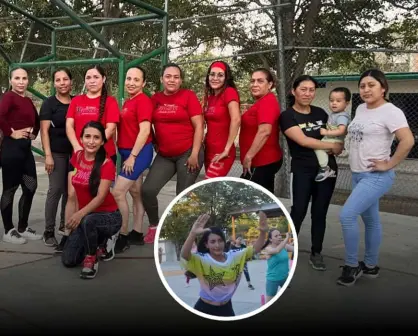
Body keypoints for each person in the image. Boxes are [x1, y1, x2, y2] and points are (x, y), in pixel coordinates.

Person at [337, 69, 414, 287]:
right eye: (362, 86)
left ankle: (352, 266)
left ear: (383, 88)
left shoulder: (391, 111)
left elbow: (407, 141)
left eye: (371, 85)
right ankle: (370, 265)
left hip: (377, 176)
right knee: (371, 220)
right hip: (358, 174)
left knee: (347, 215)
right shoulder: (361, 108)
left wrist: (389, 163)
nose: (366, 89)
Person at [279, 75, 343, 271]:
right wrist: (330, 146)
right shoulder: (287, 116)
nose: (308, 93)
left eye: (311, 90)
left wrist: (337, 146)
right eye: (303, 89)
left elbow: (337, 138)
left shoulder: (322, 113)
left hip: (327, 170)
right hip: (302, 170)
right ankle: (286, 251)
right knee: (298, 210)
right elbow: (303, 141)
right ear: (294, 91)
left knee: (319, 212)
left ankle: (316, 252)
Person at [141, 63, 205, 245]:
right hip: (165, 155)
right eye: (168, 76)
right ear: (162, 79)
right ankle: (154, 226)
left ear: (180, 80)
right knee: (148, 190)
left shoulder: (188, 96)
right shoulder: (155, 99)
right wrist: (154, 142)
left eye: (176, 77)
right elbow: (146, 123)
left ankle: (184, 234)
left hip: (188, 152)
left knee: (182, 195)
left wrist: (194, 154)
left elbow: (199, 126)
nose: (172, 80)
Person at [60, 121, 122, 279]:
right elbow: (73, 194)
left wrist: (79, 215)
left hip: (109, 217)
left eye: (96, 138)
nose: (91, 141)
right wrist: (73, 221)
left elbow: (101, 197)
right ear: (81, 139)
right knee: (69, 260)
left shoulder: (107, 164)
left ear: (102, 141)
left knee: (88, 220)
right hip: (86, 217)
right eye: (87, 136)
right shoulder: (77, 157)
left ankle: (92, 258)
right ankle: (98, 241)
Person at [180, 212, 269, 317]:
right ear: (206, 244)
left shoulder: (234, 256)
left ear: (224, 242)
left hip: (226, 308)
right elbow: (184, 254)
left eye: (220, 241)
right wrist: (192, 233)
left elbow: (255, 249)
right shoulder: (201, 259)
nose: (217, 245)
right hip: (204, 308)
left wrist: (263, 233)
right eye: (212, 242)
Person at [112, 66, 154, 253]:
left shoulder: (143, 101)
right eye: (128, 78)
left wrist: (132, 157)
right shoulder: (129, 101)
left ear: (143, 83)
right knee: (136, 193)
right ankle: (137, 233)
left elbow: (145, 131)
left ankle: (123, 234)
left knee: (118, 192)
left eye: (136, 80)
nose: (131, 82)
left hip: (138, 153)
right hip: (126, 152)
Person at [0, 67, 42, 244]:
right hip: (11, 150)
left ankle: (23, 227)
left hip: (25, 150)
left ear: (28, 81)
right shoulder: (9, 97)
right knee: (10, 189)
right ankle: (9, 230)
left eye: (24, 78)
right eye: (17, 78)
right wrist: (11, 132)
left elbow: (36, 120)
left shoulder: (27, 100)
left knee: (30, 186)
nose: (21, 81)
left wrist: (35, 132)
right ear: (11, 80)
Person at [40, 68, 74, 246]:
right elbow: (44, 131)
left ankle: (65, 225)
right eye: (58, 80)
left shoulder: (76, 101)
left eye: (65, 79)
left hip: (74, 154)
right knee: (56, 190)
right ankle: (48, 230)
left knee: (71, 192)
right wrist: (48, 156)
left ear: (71, 82)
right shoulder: (49, 104)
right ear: (54, 83)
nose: (62, 83)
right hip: (56, 153)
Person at [239, 68, 283, 193]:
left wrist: (249, 156)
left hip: (262, 161)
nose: (255, 84)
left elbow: (265, 131)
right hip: (261, 162)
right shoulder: (261, 101)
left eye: (260, 81)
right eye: (252, 81)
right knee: (264, 198)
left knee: (245, 196)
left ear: (269, 84)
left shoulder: (267, 102)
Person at [65, 64, 120, 163]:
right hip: (79, 154)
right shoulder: (76, 101)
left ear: (103, 79)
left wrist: (93, 148)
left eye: (96, 77)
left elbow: (111, 129)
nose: (92, 81)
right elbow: (69, 125)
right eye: (88, 78)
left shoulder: (111, 101)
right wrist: (77, 147)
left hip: (104, 155)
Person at [202, 61, 241, 179]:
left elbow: (236, 119)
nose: (215, 78)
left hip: (222, 152)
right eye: (212, 74)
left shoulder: (229, 92)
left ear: (226, 78)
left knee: (208, 185)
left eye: (220, 75)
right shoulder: (210, 98)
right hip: (208, 149)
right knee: (213, 190)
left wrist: (227, 149)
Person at [314, 87, 351, 182]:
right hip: (331, 139)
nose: (334, 103)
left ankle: (324, 168)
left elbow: (342, 130)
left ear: (346, 103)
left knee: (317, 147)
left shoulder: (341, 116)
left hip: (336, 140)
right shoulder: (333, 114)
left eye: (338, 101)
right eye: (331, 100)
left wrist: (326, 132)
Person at [262, 229, 293, 302]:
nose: (279, 237)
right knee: (269, 303)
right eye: (276, 236)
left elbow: (295, 249)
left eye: (279, 235)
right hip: (273, 280)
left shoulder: (284, 246)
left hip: (285, 278)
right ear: (270, 239)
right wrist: (286, 238)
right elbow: (276, 250)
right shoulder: (268, 249)